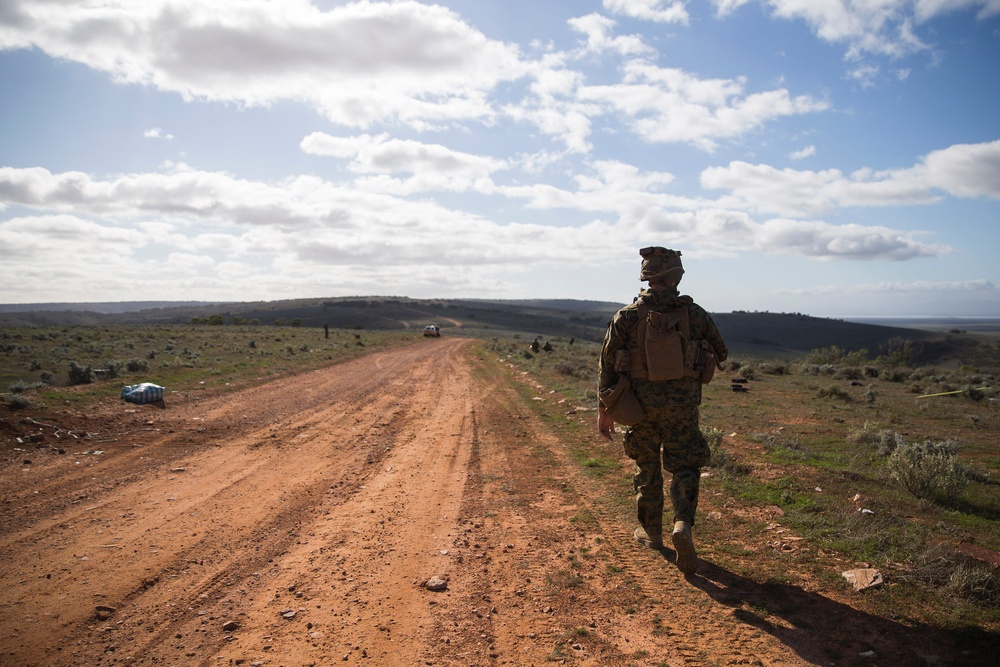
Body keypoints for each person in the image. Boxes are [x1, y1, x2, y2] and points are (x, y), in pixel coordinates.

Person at [598, 247, 727, 575]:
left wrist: (604, 410)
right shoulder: (695, 314)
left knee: (647, 466)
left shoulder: (626, 317)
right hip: (682, 407)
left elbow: (608, 366)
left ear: (646, 275)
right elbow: (722, 351)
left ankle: (652, 532)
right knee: (685, 466)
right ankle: (682, 522)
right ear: (677, 277)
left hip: (639, 407)